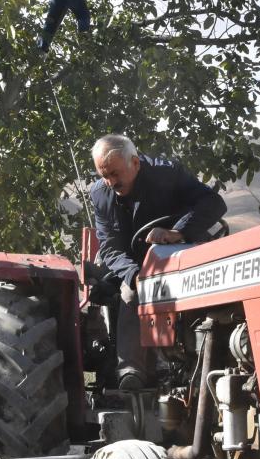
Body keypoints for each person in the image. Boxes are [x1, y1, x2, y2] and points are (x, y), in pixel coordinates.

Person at [89, 134, 227, 389]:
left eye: (115, 174)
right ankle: (132, 373)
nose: (110, 182)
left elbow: (213, 203)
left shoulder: (167, 174)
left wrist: (178, 232)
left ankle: (209, 363)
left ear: (135, 163)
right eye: (104, 175)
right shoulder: (100, 195)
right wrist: (135, 276)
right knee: (131, 295)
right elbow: (109, 246)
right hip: (137, 265)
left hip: (181, 255)